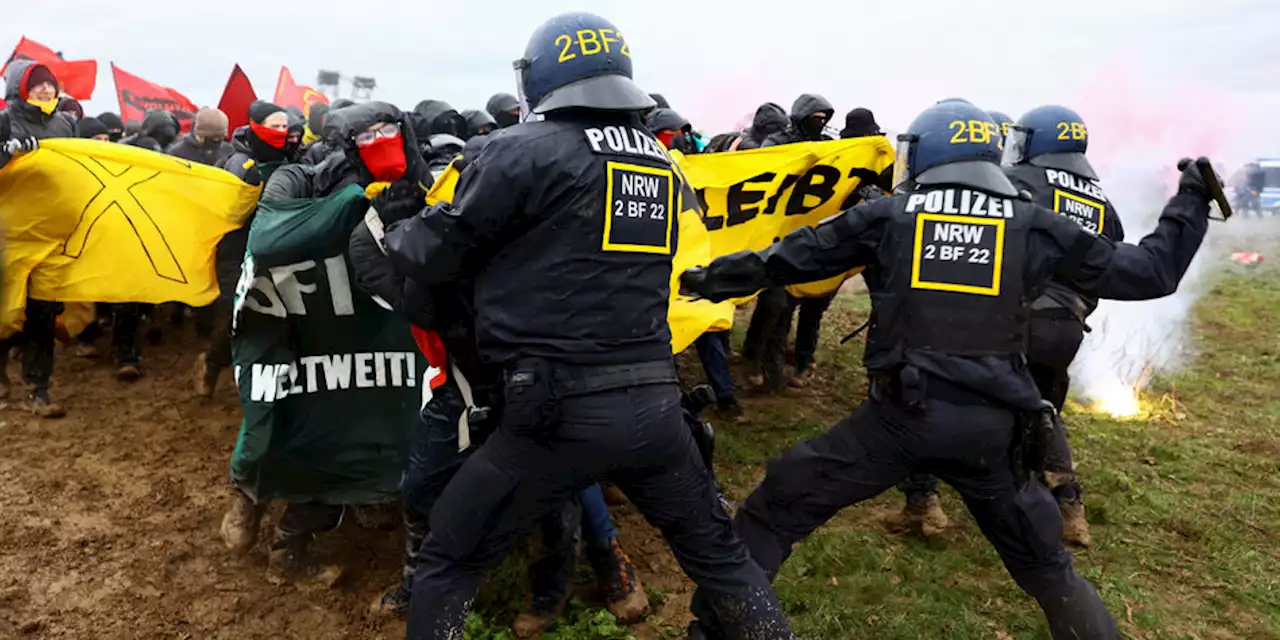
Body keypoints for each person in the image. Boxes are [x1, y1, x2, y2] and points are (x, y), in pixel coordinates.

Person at [680, 99, 1217, 639]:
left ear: (927, 153)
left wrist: (704, 279)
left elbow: (786, 259)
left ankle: (713, 632)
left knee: (776, 508)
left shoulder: (888, 214)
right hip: (993, 434)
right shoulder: (1035, 223)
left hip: (895, 422)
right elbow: (1150, 271)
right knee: (1048, 570)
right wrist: (1191, 199)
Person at [381, 12, 794, 640]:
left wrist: (401, 217)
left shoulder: (519, 149)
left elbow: (435, 255)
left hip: (552, 410)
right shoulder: (658, 158)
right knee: (723, 562)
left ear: (541, 75)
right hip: (656, 403)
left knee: (448, 561)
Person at [194, 102, 294, 397]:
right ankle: (210, 366)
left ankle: (263, 376)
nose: (281, 132)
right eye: (274, 126)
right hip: (237, 249)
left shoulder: (291, 159)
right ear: (256, 126)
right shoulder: (237, 162)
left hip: (278, 248)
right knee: (234, 313)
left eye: (284, 127)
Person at [0, 60, 77, 417]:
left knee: (42, 310)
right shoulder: (4, 121)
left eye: (50, 84)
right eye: (37, 84)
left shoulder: (64, 122)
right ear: (19, 88)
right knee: (4, 310)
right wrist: (9, 152)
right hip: (10, 231)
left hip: (50, 230)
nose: (46, 90)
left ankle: (38, 387)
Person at [167, 107, 233, 167]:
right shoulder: (177, 154)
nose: (216, 141)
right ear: (198, 134)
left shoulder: (229, 152)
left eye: (220, 138)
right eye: (211, 138)